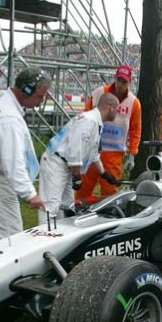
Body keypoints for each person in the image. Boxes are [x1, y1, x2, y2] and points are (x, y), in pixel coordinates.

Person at [0, 67, 50, 247]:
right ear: (27, 90)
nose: (41, 101)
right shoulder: (9, 119)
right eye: (40, 96)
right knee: (10, 236)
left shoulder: (1, 99)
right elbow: (13, 163)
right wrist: (31, 194)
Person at [38, 93, 120, 225]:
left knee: (66, 206)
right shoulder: (88, 122)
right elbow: (75, 150)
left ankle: (59, 234)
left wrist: (104, 174)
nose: (118, 112)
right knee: (50, 206)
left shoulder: (96, 123)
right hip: (56, 163)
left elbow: (93, 153)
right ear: (110, 107)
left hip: (66, 165)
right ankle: (42, 237)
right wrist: (77, 176)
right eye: (117, 108)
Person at [76, 65, 142, 199]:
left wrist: (132, 155)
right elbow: (85, 117)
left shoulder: (134, 103)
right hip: (91, 150)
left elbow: (136, 130)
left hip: (114, 154)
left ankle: (108, 218)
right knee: (83, 189)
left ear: (129, 82)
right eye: (119, 80)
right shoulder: (99, 93)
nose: (120, 84)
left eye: (124, 81)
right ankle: (76, 215)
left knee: (110, 193)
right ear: (115, 78)